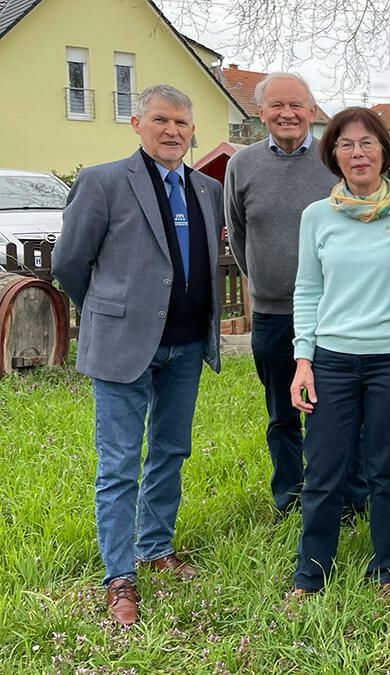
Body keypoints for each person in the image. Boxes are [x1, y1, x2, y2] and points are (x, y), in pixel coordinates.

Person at [53, 84, 224, 627]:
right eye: (161, 120)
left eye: (182, 122)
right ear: (137, 123)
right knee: (119, 465)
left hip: (188, 343)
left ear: (192, 129)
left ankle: (156, 547)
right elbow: (69, 263)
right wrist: (109, 311)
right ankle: (119, 576)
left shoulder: (204, 188)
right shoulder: (104, 182)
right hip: (124, 346)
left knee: (171, 451)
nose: (173, 131)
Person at [287, 107, 390, 595]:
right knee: (323, 471)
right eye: (346, 144)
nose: (357, 152)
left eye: (367, 143)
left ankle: (387, 567)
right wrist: (302, 360)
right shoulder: (315, 217)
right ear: (333, 155)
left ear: (384, 151)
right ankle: (311, 572)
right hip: (331, 360)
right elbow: (307, 290)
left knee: (387, 469)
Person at [224, 72, 368, 523]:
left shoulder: (333, 162)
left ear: (311, 112)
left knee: (338, 413)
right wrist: (264, 281)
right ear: (261, 112)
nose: (287, 114)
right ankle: (290, 496)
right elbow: (239, 235)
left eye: (297, 106)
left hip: (335, 314)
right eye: (277, 106)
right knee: (282, 412)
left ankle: (347, 497)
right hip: (272, 315)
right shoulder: (241, 166)